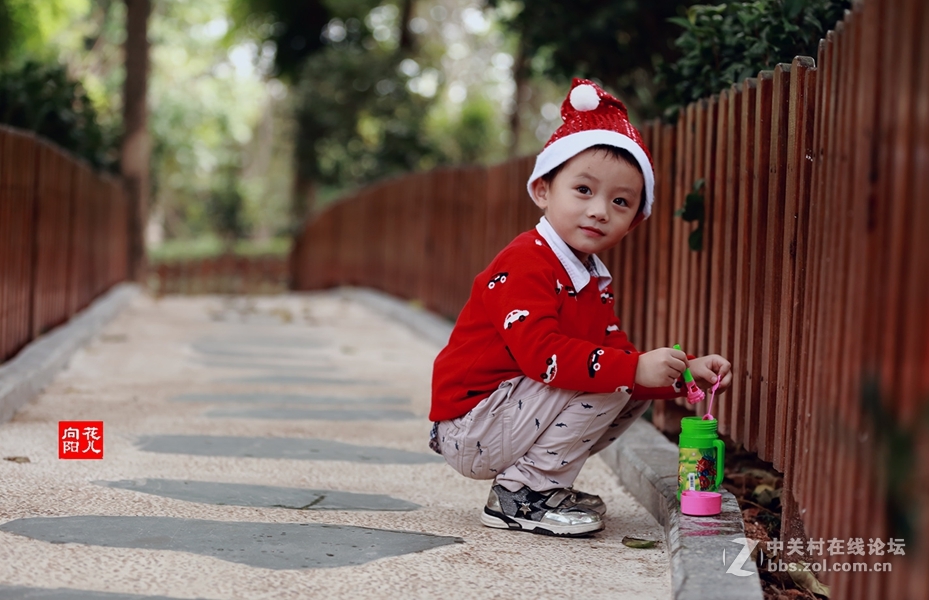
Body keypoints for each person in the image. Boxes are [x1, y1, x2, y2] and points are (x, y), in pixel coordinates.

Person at [428, 78, 732, 537]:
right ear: (544, 189)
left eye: (620, 202)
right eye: (584, 190)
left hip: (506, 416)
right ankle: (522, 494)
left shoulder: (589, 279)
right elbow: (541, 355)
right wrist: (630, 370)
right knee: (616, 375)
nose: (599, 211)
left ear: (633, 222)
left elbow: (621, 358)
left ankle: (539, 488)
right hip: (470, 425)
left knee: (622, 376)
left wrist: (685, 373)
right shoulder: (526, 261)